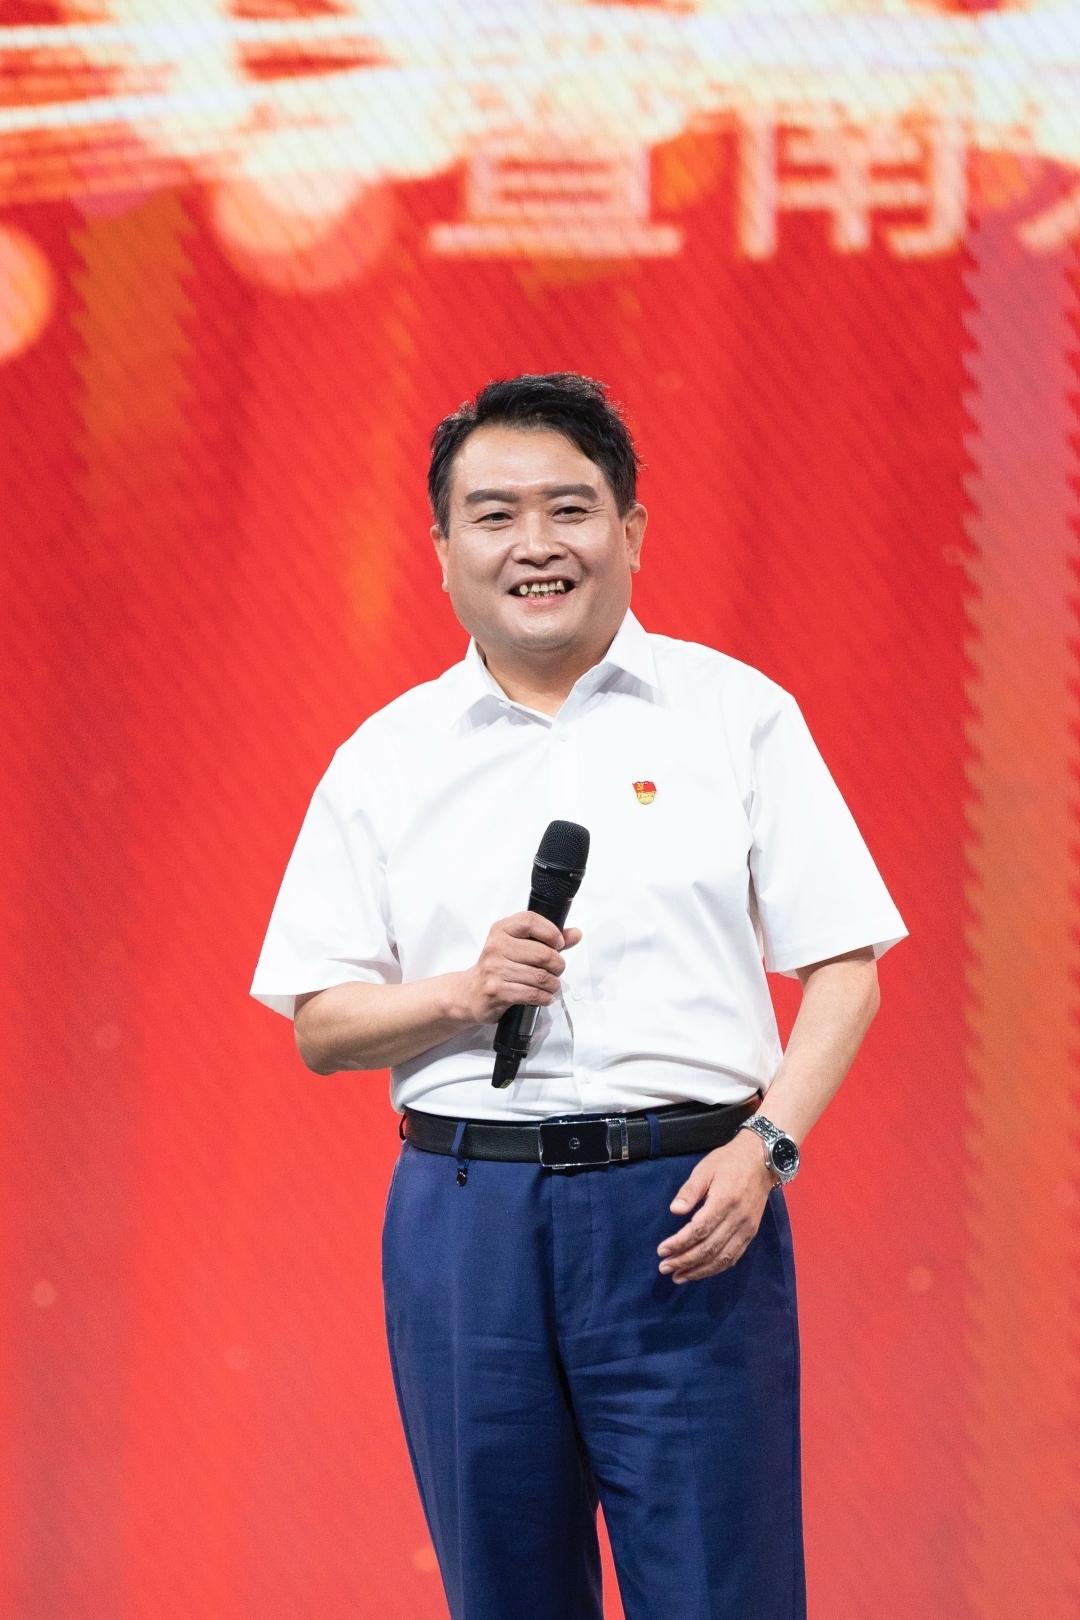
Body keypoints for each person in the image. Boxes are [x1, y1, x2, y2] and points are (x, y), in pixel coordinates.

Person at [251, 372, 906, 1620]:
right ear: (443, 550)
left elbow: (846, 967)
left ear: (631, 531)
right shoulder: (386, 757)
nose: (535, 545)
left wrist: (767, 1147)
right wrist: (462, 993)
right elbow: (321, 1025)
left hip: (687, 1209)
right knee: (506, 1592)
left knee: (722, 1590)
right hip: (468, 1219)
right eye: (494, 516)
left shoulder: (737, 715)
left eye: (571, 509)